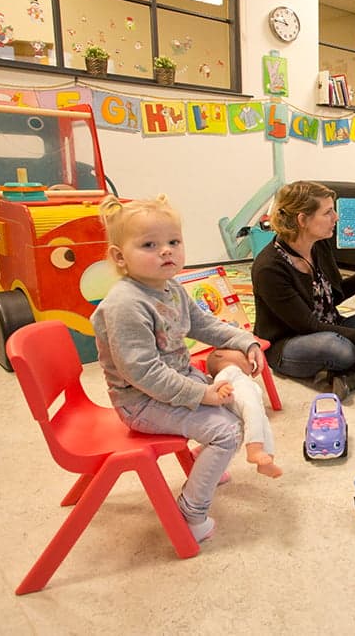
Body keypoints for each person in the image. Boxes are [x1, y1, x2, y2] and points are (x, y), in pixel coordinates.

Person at [91, 195, 266, 543]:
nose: (166, 251)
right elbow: (142, 373)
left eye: (173, 242)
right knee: (227, 432)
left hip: (175, 384)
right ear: (119, 257)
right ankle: (189, 511)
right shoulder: (126, 304)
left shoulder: (170, 288)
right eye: (149, 245)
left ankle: (206, 459)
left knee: (241, 408)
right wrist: (202, 394)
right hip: (140, 402)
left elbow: (205, 325)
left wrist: (247, 341)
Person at [251, 181, 355, 400]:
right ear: (302, 220)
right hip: (289, 344)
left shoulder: (318, 244)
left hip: (331, 326)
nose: (336, 218)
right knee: (340, 350)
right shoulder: (269, 268)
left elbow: (336, 294)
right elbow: (308, 326)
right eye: (328, 212)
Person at [206, 348, 282, 478]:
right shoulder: (228, 370)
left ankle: (267, 460)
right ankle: (254, 450)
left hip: (253, 405)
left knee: (264, 427)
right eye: (243, 353)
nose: (250, 359)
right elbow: (220, 381)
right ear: (220, 355)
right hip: (240, 402)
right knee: (254, 419)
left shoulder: (242, 376)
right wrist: (221, 387)